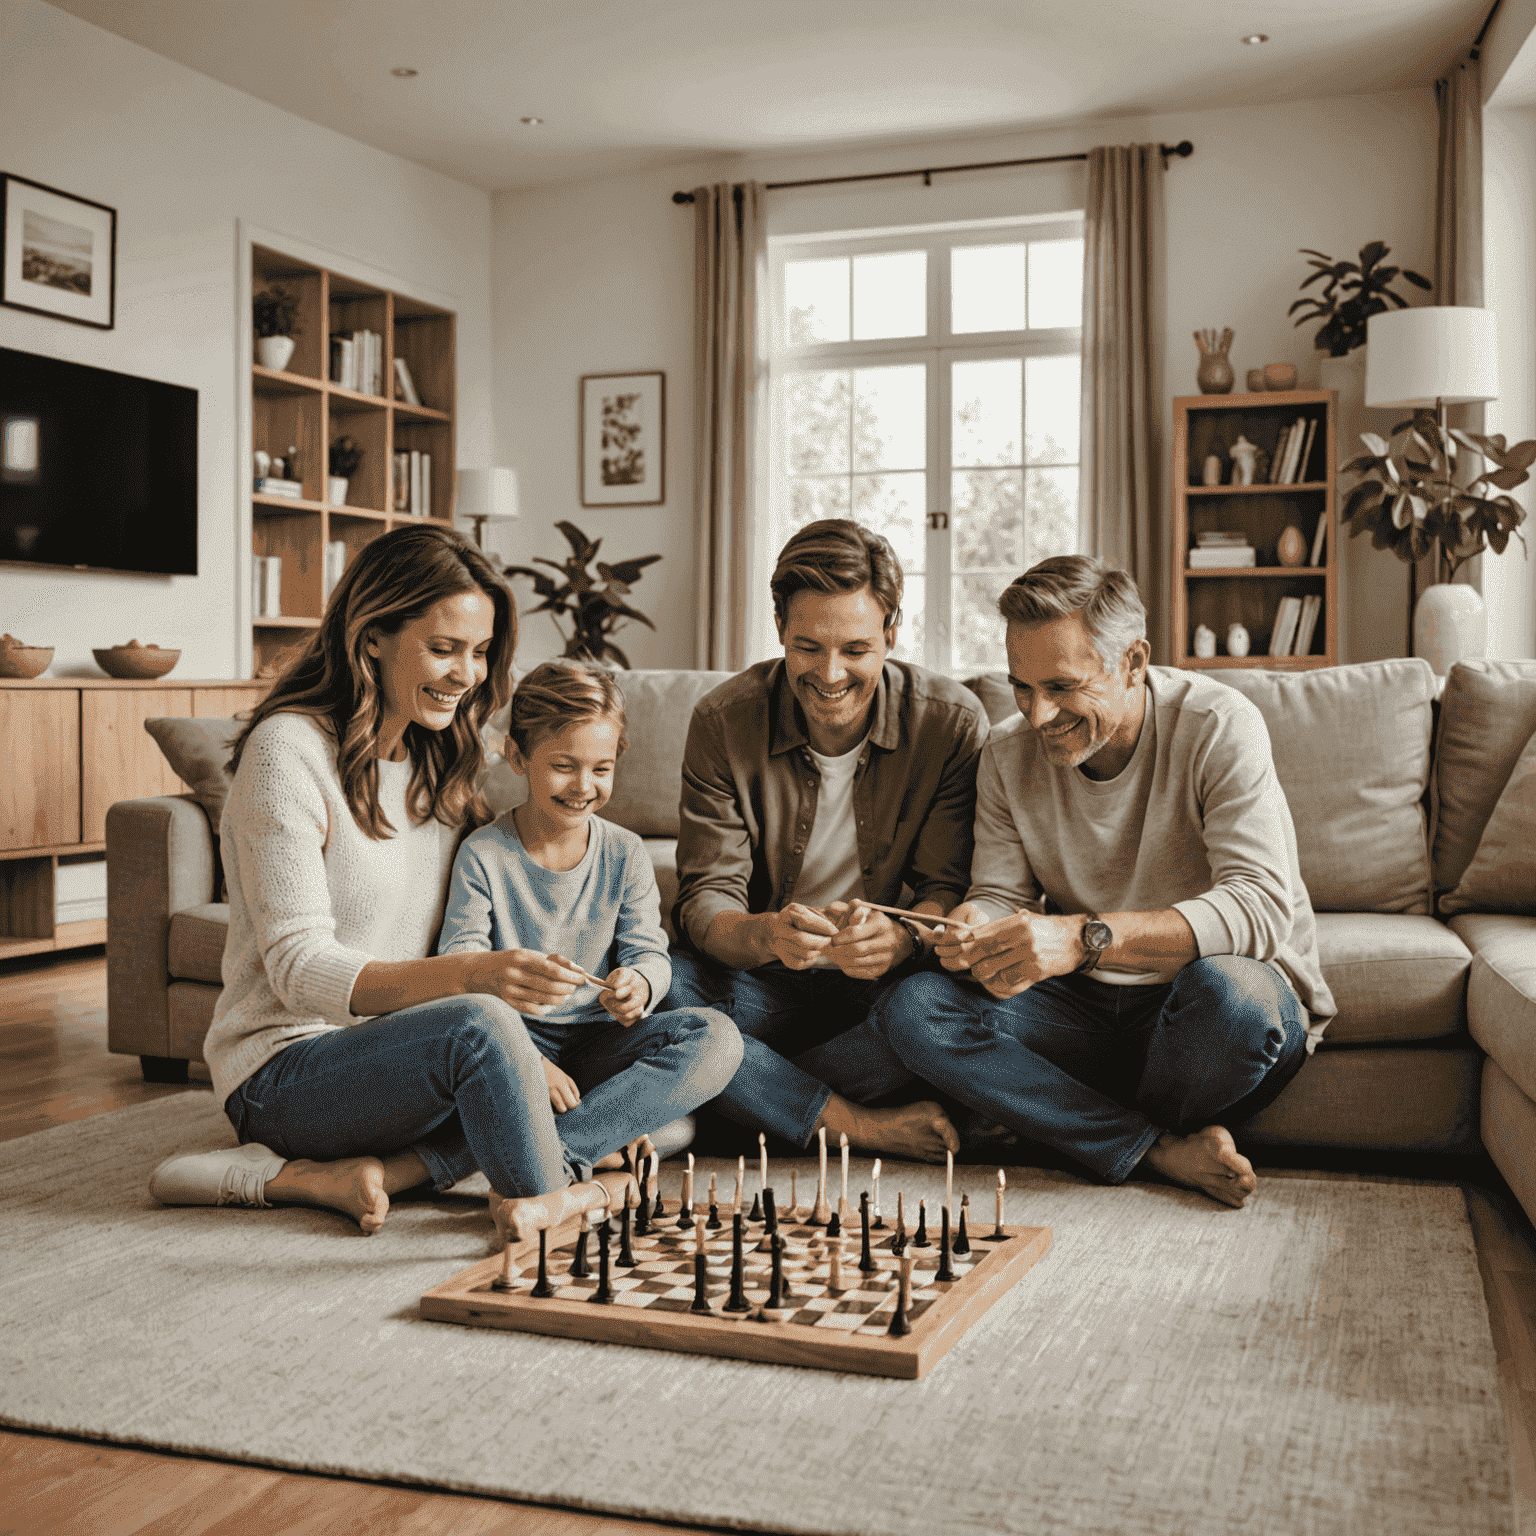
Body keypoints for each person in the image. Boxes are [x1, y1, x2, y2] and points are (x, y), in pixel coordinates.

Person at [148, 525, 694, 1239]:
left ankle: (386, 1170)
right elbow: (296, 970)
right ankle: (573, 1191)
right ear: (372, 635)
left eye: (479, 652)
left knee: (683, 1044)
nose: (466, 674)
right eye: (443, 648)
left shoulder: (441, 759)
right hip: (288, 1072)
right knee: (487, 1024)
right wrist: (470, 976)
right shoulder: (288, 753)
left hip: (416, 1063)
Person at [870, 555, 1335, 1207]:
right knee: (916, 1007)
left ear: (1134, 663)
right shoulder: (1006, 755)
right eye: (1021, 688)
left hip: (1201, 999)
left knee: (1235, 1001)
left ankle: (1061, 1123)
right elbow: (998, 893)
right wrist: (976, 930)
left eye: (1061, 686)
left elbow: (1261, 910)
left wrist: (1082, 939)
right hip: (1086, 1008)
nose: (1037, 716)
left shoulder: (1219, 726)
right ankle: (1156, 1148)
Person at [665, 518, 990, 1162]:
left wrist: (901, 941)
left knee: (931, 1016)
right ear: (780, 631)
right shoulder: (723, 721)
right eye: (807, 647)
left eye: (856, 650)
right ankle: (860, 1126)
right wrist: (766, 935)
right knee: (668, 993)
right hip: (763, 984)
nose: (830, 674)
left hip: (884, 992)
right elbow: (704, 901)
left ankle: (742, 1097)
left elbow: (947, 887)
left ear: (891, 634)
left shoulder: (950, 723)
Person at [435, 660, 740, 1187]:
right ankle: (589, 1143)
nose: (583, 785)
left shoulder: (625, 853)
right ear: (517, 756)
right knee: (668, 1133)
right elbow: (461, 973)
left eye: (601, 769)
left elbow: (649, 952)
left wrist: (640, 983)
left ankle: (546, 1150)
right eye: (564, 766)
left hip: (599, 1046)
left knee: (715, 1040)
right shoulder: (483, 854)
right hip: (511, 1047)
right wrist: (531, 1065)